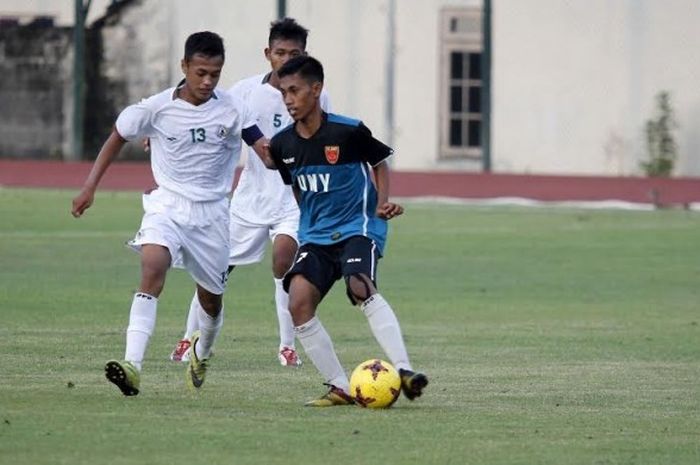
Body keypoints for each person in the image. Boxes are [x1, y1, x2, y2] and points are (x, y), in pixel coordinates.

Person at [71, 31, 267, 396]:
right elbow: (117, 134)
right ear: (184, 67)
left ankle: (202, 351)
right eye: (201, 72)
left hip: (212, 215)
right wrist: (89, 186)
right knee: (152, 264)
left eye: (215, 73)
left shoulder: (234, 109)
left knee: (211, 300)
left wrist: (284, 154)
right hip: (168, 205)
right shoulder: (156, 108)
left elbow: (262, 145)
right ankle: (133, 365)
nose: (207, 81)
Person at [266, 55, 429, 406]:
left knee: (359, 285)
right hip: (316, 235)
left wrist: (383, 202)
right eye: (284, 93)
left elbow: (380, 163)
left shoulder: (348, 130)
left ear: (316, 89)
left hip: (359, 225)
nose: (289, 100)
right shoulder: (282, 145)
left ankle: (403, 371)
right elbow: (297, 187)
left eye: (295, 91)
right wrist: (310, 217)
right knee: (298, 301)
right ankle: (339, 385)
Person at [169, 18, 331, 368]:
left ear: (305, 54)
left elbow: (323, 141)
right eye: (280, 52)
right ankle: (187, 339)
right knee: (214, 271)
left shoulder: (316, 94)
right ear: (267, 53)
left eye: (295, 53)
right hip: (249, 200)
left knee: (284, 259)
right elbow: (198, 107)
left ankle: (287, 345)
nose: (287, 59)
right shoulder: (244, 92)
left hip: (292, 200)